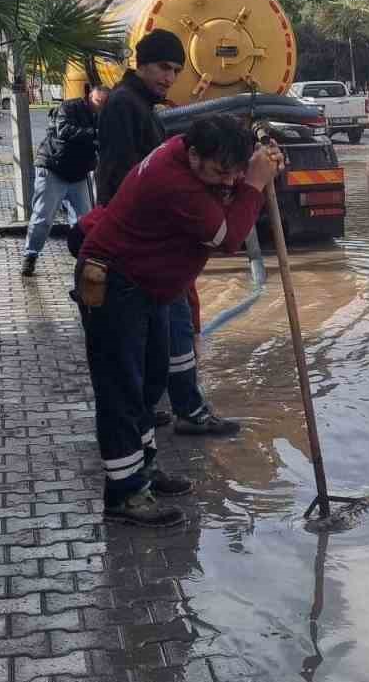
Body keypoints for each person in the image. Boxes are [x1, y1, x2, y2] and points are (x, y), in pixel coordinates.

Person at [76, 115, 282, 528]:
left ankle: (143, 472)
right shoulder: (174, 183)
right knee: (121, 391)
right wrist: (254, 184)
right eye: (220, 173)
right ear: (193, 155)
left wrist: (260, 169)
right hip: (115, 284)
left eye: (235, 172)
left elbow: (234, 193)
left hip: (147, 287)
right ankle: (125, 494)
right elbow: (228, 238)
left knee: (150, 384)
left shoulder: (188, 155)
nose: (227, 182)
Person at [95, 28, 238, 438]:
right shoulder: (126, 106)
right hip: (144, 242)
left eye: (175, 69)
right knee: (174, 326)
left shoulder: (140, 104)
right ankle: (185, 411)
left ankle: (157, 407)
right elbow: (125, 175)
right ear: (141, 63)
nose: (169, 77)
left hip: (149, 240)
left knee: (170, 328)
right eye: (162, 67)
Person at [20, 84, 109, 276]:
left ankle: (85, 258)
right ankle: (31, 256)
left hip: (79, 173)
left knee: (85, 219)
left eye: (104, 104)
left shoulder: (104, 116)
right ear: (89, 97)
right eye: (97, 102)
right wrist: (94, 135)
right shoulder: (69, 107)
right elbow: (64, 130)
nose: (100, 107)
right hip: (54, 167)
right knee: (43, 217)